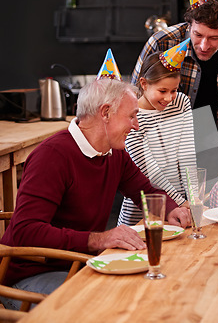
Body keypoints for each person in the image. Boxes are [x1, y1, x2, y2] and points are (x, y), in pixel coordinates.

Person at [0, 51, 191, 311]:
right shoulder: (52, 156)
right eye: (131, 116)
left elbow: (144, 190)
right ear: (105, 113)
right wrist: (98, 240)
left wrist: (174, 209)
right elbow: (26, 231)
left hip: (79, 262)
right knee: (111, 304)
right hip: (28, 276)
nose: (136, 126)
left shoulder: (114, 154)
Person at [131, 0, 218, 145]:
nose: (204, 46)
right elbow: (134, 99)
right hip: (167, 141)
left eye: (214, 38)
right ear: (189, 25)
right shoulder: (162, 43)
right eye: (198, 35)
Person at [118, 40, 197, 226]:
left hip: (182, 206)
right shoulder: (132, 115)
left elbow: (187, 156)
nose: (169, 98)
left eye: (174, 90)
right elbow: (148, 172)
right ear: (144, 84)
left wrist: (193, 201)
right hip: (144, 207)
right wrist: (180, 203)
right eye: (162, 91)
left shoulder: (181, 103)